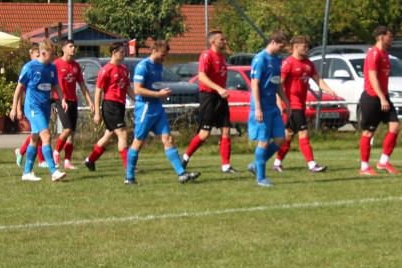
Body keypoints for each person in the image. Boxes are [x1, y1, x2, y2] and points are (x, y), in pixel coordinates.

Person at [124, 40, 199, 185]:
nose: (164, 58)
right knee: (138, 142)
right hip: (145, 107)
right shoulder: (143, 66)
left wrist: (159, 96)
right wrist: (159, 94)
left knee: (168, 139)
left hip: (157, 107)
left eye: (166, 55)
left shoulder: (159, 66)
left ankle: (181, 174)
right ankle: (129, 177)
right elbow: (138, 90)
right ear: (153, 51)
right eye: (162, 55)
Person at [272, 35, 332, 173]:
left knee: (289, 135)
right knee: (303, 132)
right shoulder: (288, 63)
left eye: (307, 46)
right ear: (296, 47)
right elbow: (278, 86)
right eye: (304, 46)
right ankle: (312, 165)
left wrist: (329, 90)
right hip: (292, 105)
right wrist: (280, 104)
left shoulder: (308, 64)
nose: (307, 49)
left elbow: (318, 80)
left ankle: (276, 163)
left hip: (300, 104)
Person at [182, 30, 240, 174]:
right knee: (205, 133)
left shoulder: (222, 56)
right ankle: (185, 156)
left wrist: (221, 90)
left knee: (225, 129)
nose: (225, 42)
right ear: (213, 42)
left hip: (220, 96)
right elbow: (202, 77)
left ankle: (226, 166)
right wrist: (219, 89)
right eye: (222, 39)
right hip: (208, 96)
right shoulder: (206, 55)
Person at [10, 41, 65, 182]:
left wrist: (63, 99)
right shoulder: (30, 67)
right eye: (52, 54)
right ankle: (54, 171)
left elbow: (56, 85)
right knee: (46, 136)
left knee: (35, 138)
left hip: (45, 106)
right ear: (44, 53)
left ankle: (27, 172)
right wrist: (15, 108)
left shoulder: (52, 67)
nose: (54, 56)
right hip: (33, 107)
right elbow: (19, 88)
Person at [246, 31, 291, 187]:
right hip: (262, 107)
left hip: (273, 106)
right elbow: (255, 84)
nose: (282, 49)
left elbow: (277, 83)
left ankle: (256, 165)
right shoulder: (260, 59)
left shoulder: (278, 59)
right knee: (263, 142)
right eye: (281, 46)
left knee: (281, 139)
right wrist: (258, 108)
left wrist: (286, 102)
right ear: (272, 42)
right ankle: (261, 178)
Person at [85, 41, 134, 172]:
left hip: (120, 105)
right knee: (123, 133)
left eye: (125, 52)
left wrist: (137, 100)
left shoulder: (123, 69)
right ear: (114, 53)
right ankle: (129, 167)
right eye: (122, 52)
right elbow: (98, 91)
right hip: (110, 106)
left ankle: (90, 160)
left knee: (110, 137)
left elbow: (128, 88)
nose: (124, 54)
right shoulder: (105, 70)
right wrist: (97, 113)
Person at [358, 25, 401, 175]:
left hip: (384, 97)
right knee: (368, 133)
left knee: (395, 127)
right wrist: (382, 98)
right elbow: (373, 78)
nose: (392, 39)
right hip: (372, 98)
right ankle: (364, 167)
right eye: (390, 36)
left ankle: (383, 161)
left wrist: (386, 97)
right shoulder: (373, 54)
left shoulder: (385, 54)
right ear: (382, 37)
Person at [52, 40, 94, 170]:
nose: (73, 48)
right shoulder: (56, 64)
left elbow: (82, 84)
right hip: (60, 100)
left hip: (73, 100)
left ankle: (67, 162)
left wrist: (90, 101)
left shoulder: (75, 66)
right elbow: (52, 82)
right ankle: (56, 151)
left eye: (74, 46)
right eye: (70, 46)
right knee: (67, 129)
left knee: (71, 133)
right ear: (63, 49)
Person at [14, 44, 42, 167]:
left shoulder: (43, 70)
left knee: (35, 134)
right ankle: (42, 160)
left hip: (41, 106)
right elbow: (19, 91)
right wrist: (18, 109)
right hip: (31, 107)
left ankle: (20, 152)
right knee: (40, 132)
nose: (38, 58)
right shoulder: (28, 70)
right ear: (31, 57)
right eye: (36, 56)